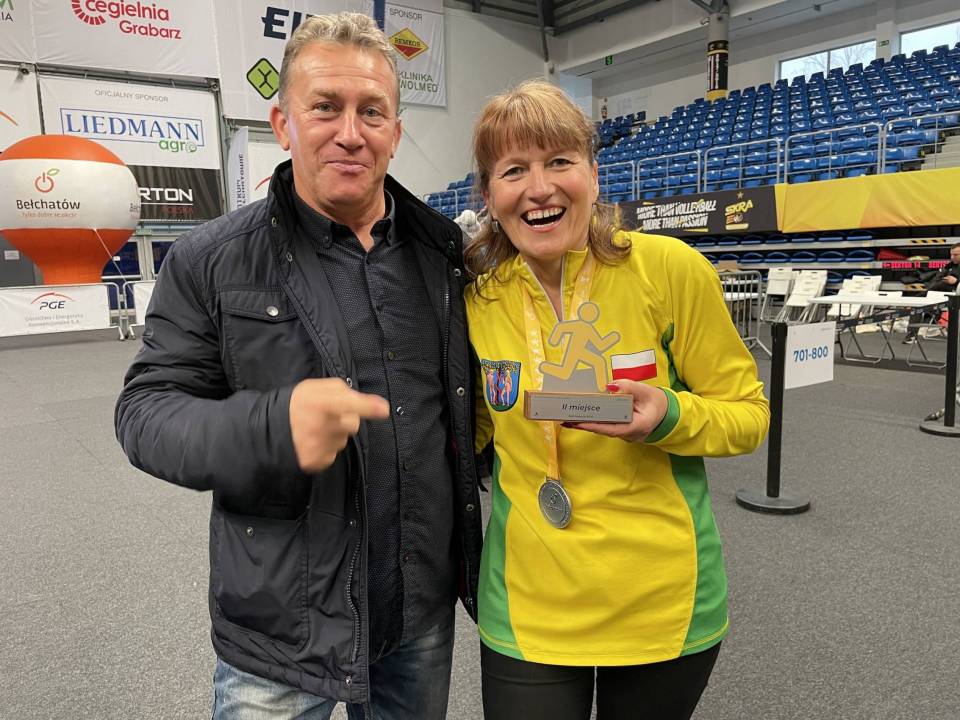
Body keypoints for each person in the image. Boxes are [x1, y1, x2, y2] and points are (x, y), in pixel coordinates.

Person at [114, 12, 482, 720]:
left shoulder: (441, 255)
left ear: (395, 132)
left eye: (372, 111)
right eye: (325, 108)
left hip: (418, 611)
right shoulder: (211, 260)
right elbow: (145, 414)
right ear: (283, 125)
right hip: (281, 628)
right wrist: (271, 427)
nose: (350, 132)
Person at [463, 80, 770, 720]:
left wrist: (670, 415)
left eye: (559, 161)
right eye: (513, 170)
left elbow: (748, 415)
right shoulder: (479, 300)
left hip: (661, 600)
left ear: (594, 175)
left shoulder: (669, 269)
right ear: (489, 195)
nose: (539, 188)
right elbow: (473, 430)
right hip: (529, 603)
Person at [904, 244, 959, 343]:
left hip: (956, 297)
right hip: (941, 296)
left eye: (955, 255)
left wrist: (956, 282)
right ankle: (911, 335)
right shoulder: (949, 266)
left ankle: (918, 299)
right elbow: (936, 280)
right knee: (917, 305)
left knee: (939, 285)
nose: (952, 257)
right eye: (951, 254)